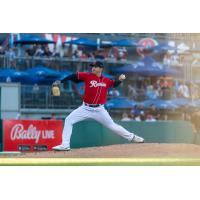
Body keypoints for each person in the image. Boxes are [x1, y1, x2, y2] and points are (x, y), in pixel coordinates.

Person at [52, 61, 144, 151]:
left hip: (99, 110)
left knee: (112, 126)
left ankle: (133, 137)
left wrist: (119, 80)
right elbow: (73, 76)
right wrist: (60, 81)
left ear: (100, 69)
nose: (93, 68)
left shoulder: (106, 80)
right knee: (68, 120)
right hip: (85, 108)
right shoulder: (87, 76)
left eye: (95, 67)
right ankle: (65, 145)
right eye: (93, 66)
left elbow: (114, 84)